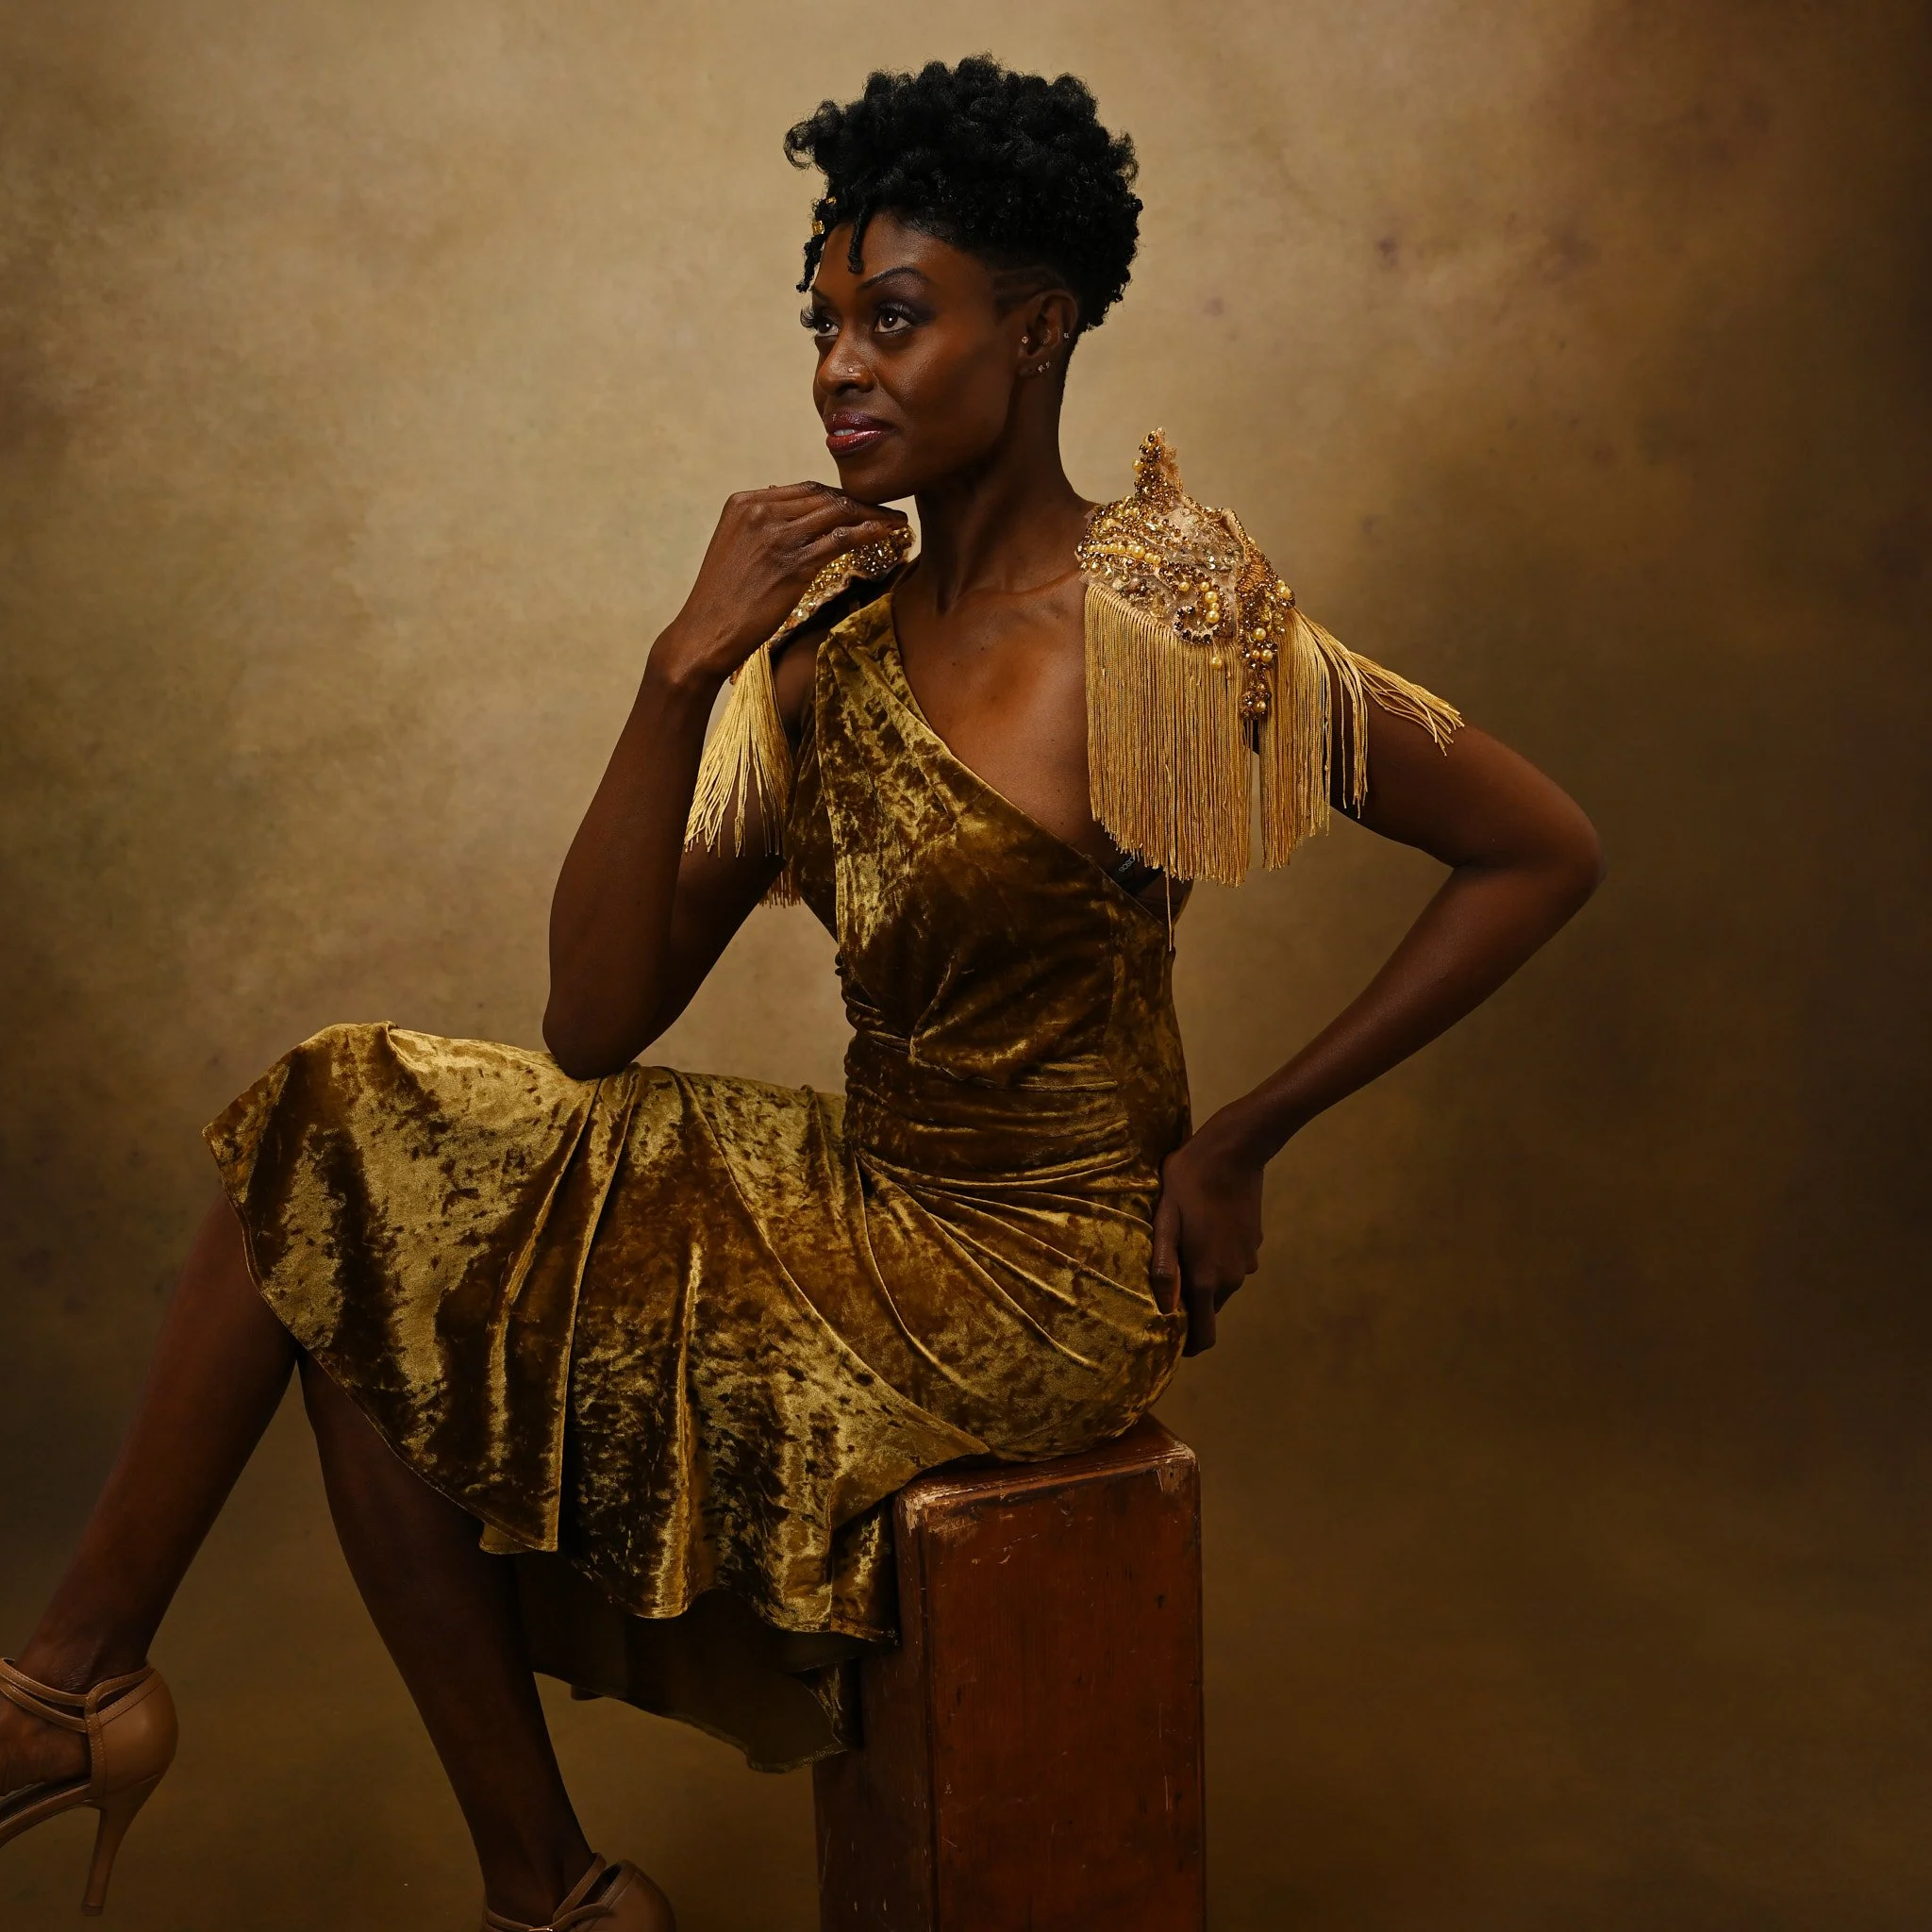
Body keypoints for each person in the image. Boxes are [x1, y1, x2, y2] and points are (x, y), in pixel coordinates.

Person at [0, 57, 1604, 1932]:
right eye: (823, 324)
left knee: (345, 1195)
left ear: (1039, 325)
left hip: (1038, 1272)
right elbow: (595, 1017)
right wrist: (679, 667)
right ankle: (516, 1879)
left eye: (894, 320)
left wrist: (1245, 1135)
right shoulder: (822, 658)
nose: (841, 366)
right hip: (866, 1198)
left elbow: (1534, 848)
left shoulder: (1165, 611)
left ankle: (77, 1713)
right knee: (346, 1195)